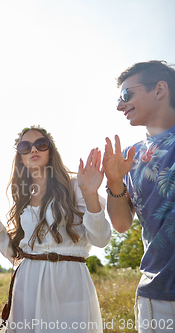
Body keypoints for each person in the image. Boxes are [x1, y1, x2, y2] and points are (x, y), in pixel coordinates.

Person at [0, 126, 111, 333]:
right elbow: (19, 254)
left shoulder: (76, 186)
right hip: (28, 283)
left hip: (69, 281)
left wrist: (90, 194)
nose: (33, 150)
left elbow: (101, 239)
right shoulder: (23, 196)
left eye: (40, 144)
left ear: (51, 151)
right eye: (25, 147)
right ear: (20, 157)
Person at [103, 60, 175, 332]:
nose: (120, 106)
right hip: (156, 295)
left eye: (126, 95)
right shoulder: (129, 157)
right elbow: (121, 224)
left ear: (159, 90)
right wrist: (114, 181)